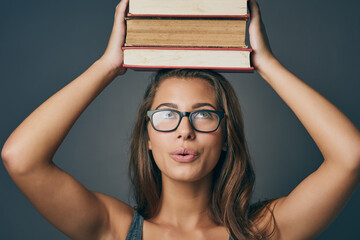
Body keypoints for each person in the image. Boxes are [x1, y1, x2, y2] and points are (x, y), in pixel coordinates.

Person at [2, 0, 359, 239]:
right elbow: (20, 158)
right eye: (167, 115)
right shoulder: (115, 228)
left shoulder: (263, 231)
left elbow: (350, 157)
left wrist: (265, 63)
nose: (184, 131)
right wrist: (107, 66)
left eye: (203, 115)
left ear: (226, 136)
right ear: (147, 136)